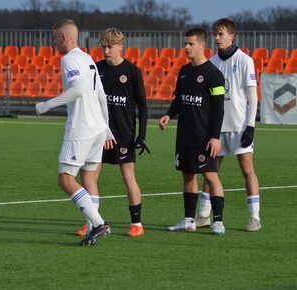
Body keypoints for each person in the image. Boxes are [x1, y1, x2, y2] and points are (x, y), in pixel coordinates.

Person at [35, 19, 112, 246]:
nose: (54, 43)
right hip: (97, 128)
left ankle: (98, 223)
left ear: (64, 38)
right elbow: (101, 95)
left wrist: (46, 105)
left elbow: (77, 89)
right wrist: (106, 128)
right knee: (88, 178)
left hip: (81, 129)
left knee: (65, 179)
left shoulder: (69, 59)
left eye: (55, 38)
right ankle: (92, 229)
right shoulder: (88, 58)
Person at [76, 28, 149, 238]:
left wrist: (141, 134)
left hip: (123, 135)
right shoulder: (96, 69)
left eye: (110, 47)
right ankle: (92, 222)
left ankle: (137, 224)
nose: (106, 51)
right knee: (90, 177)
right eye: (103, 47)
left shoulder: (133, 72)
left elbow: (143, 106)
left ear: (120, 47)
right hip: (97, 134)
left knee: (128, 178)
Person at [196, 18, 261, 232]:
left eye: (221, 34)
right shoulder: (212, 62)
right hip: (216, 128)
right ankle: (204, 215)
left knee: (247, 169)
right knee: (210, 171)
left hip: (239, 126)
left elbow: (253, 96)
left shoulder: (245, 61)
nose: (217, 38)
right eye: (215, 34)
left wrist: (250, 126)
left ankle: (254, 218)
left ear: (232, 36)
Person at [159, 28, 226, 235]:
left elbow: (218, 108)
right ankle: (189, 220)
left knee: (211, 176)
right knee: (188, 176)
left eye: (190, 44)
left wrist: (215, 137)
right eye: (185, 44)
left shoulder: (214, 74)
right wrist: (169, 115)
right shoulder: (184, 71)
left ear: (202, 46)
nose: (186, 47)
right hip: (184, 135)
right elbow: (179, 99)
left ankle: (218, 222)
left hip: (204, 137)